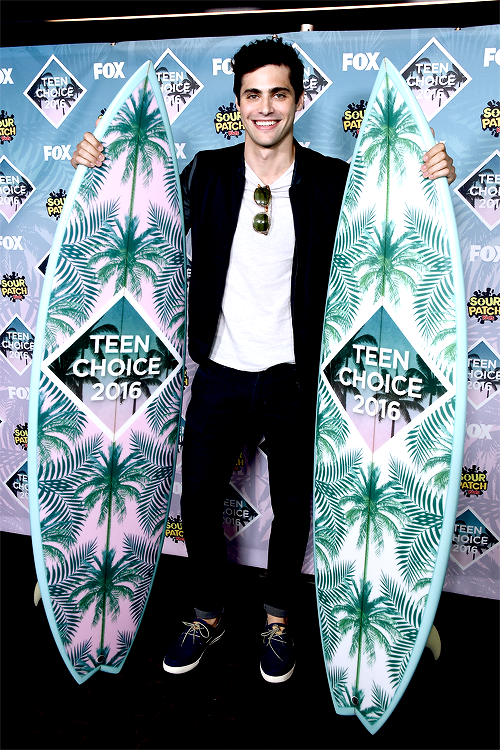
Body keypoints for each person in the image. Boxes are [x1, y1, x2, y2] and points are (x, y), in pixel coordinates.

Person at [71, 37, 456, 684]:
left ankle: (278, 620)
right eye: (253, 94)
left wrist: (431, 176)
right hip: (220, 371)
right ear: (238, 103)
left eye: (279, 93)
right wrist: (96, 166)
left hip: (295, 376)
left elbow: (392, 217)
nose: (265, 107)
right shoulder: (207, 171)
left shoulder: (334, 179)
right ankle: (208, 612)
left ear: (299, 101)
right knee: (196, 503)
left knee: (293, 505)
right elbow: (139, 215)